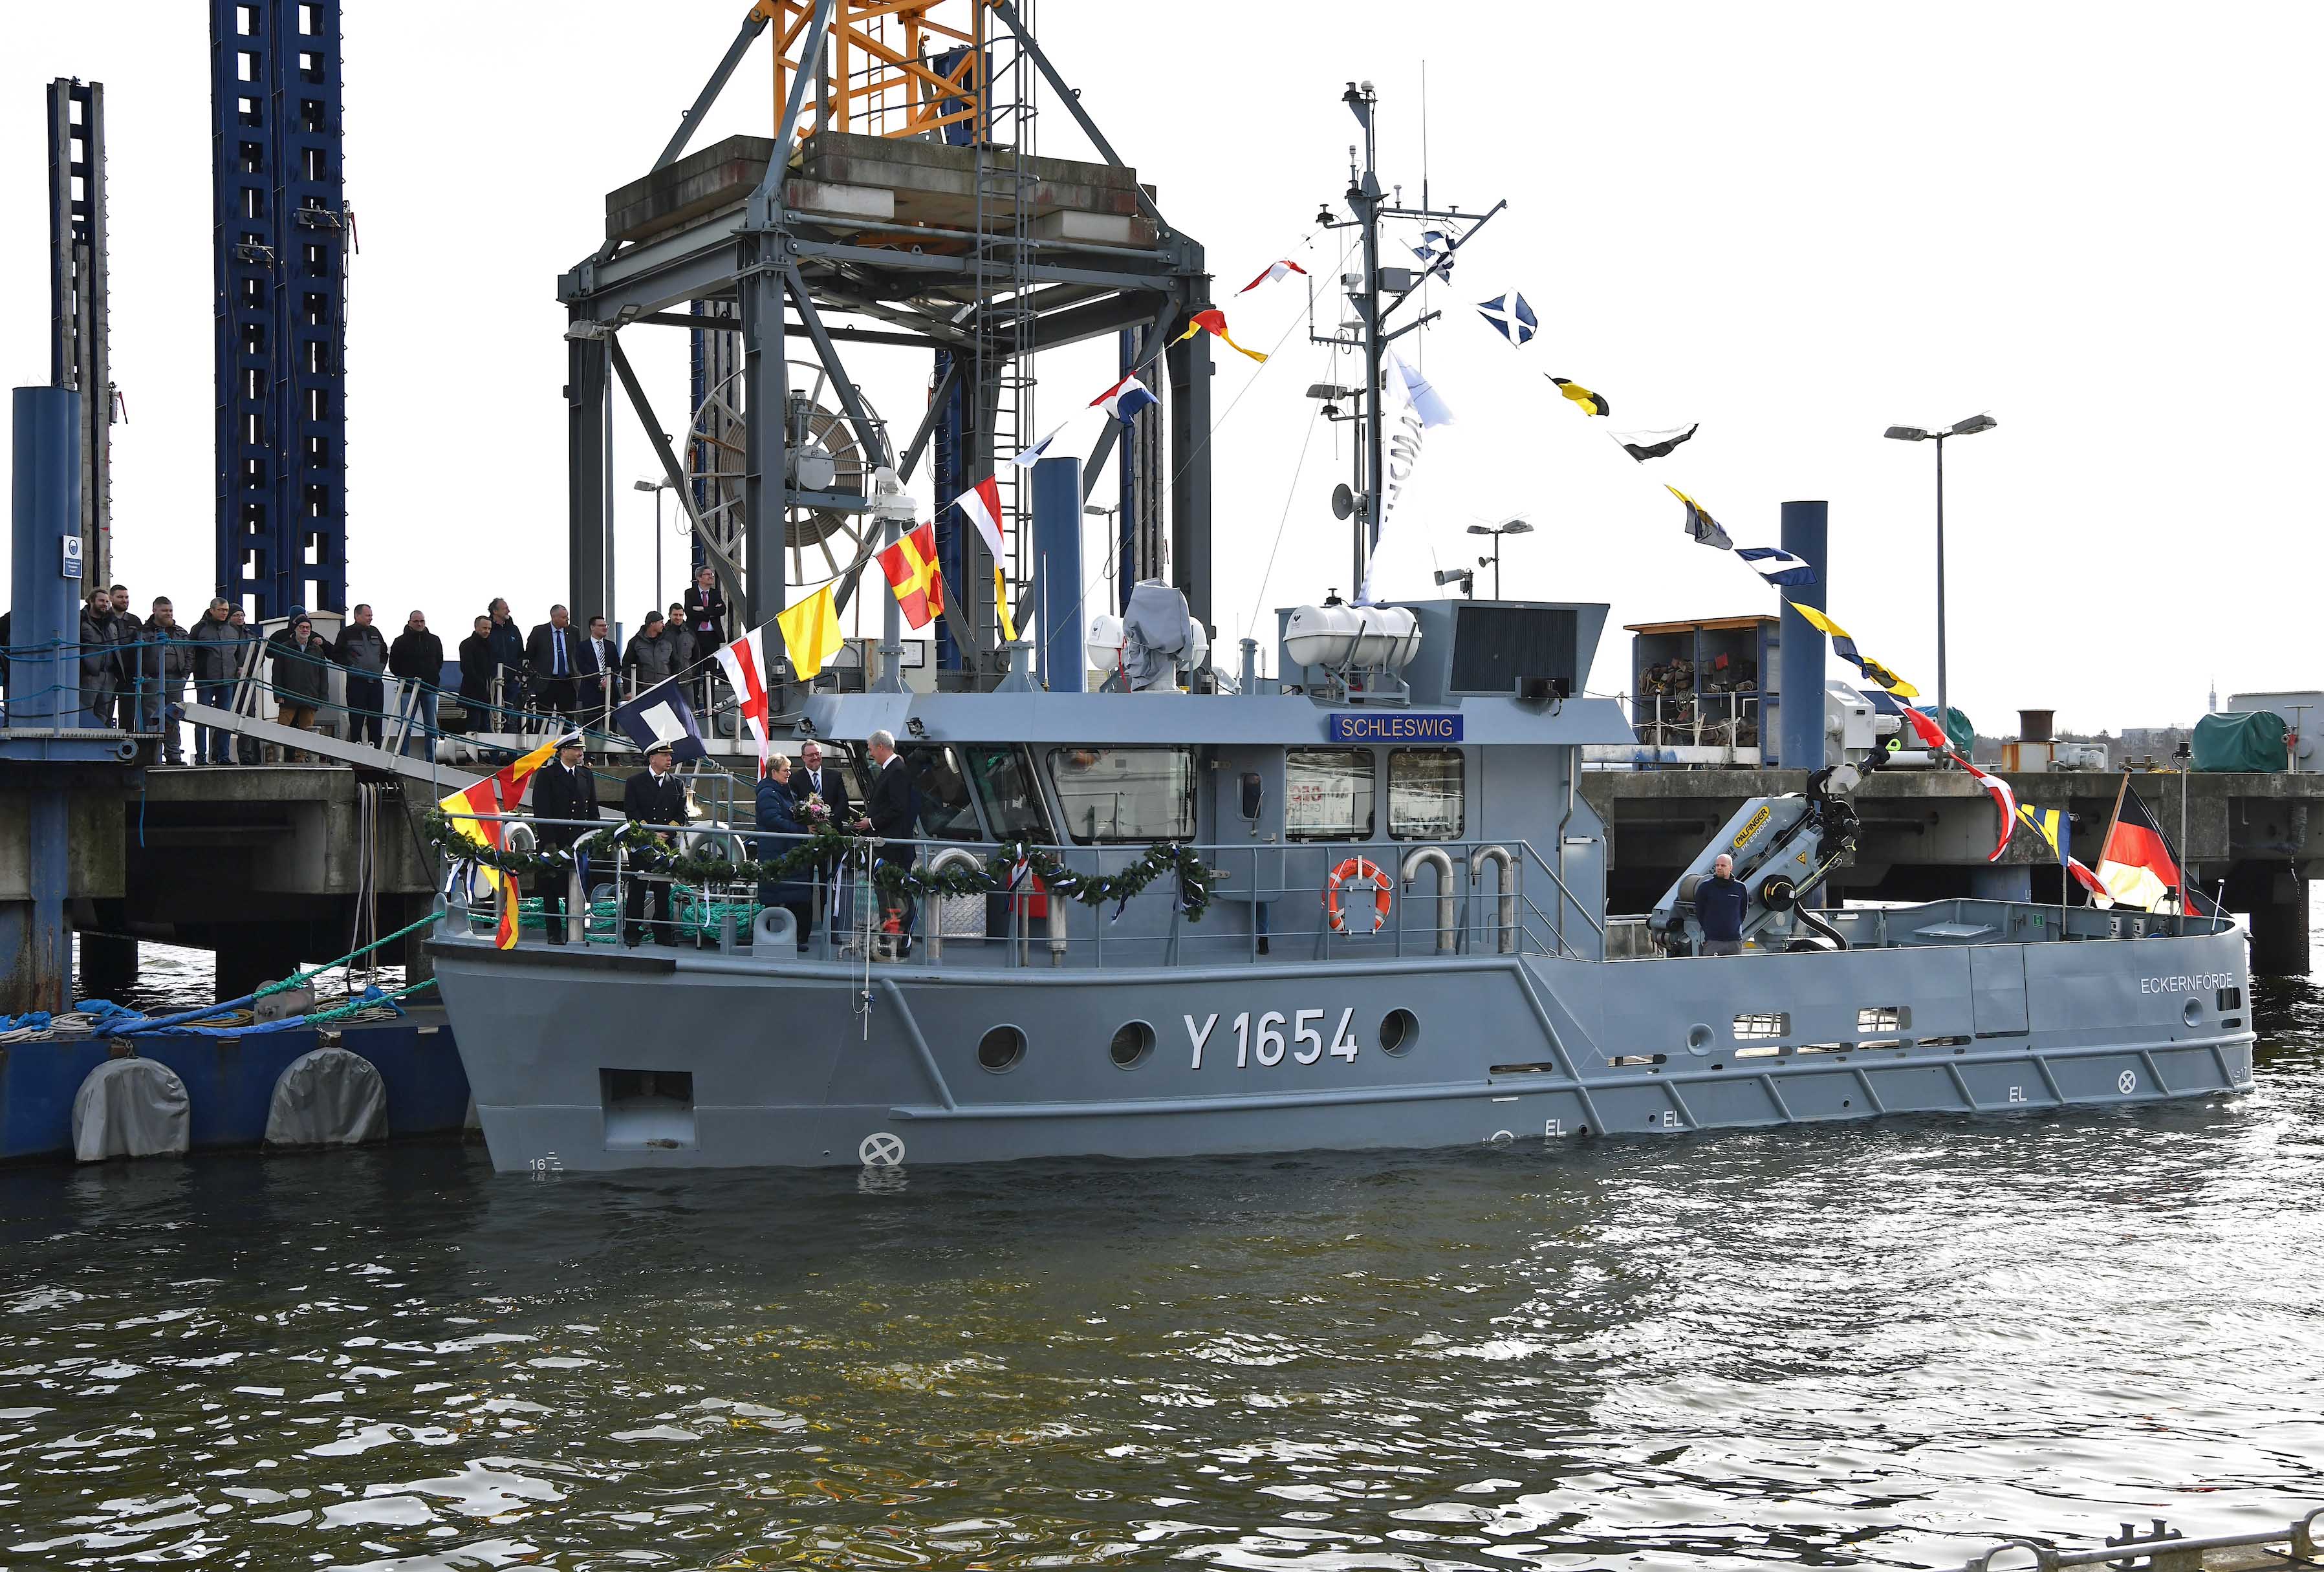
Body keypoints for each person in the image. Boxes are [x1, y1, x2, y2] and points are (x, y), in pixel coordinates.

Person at [530, 733, 600, 944]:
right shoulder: (548, 775)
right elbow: (542, 810)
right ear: (563, 751)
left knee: (575, 888)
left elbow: (592, 812)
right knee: (550, 889)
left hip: (577, 842)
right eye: (576, 749)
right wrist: (549, 843)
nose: (581, 753)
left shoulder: (586, 776)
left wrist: (592, 838)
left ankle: (574, 930)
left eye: (582, 749)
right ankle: (554, 932)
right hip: (554, 840)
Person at [856, 727, 920, 953]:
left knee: (896, 897)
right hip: (888, 848)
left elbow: (898, 807)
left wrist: (871, 823)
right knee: (887, 897)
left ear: (881, 747)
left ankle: (898, 943)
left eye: (871, 749)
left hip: (894, 850)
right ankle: (889, 941)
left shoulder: (897, 771)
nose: (870, 754)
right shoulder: (891, 770)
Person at [621, 739, 690, 946]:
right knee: (638, 888)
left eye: (670, 756)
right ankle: (632, 930)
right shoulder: (635, 782)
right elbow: (632, 811)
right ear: (652, 759)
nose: (670, 759)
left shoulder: (677, 784)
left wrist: (667, 832)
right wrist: (650, 834)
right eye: (665, 756)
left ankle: (662, 932)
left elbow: (682, 813)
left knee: (663, 889)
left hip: (667, 844)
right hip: (643, 844)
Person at [755, 753, 815, 952]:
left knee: (794, 894)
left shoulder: (783, 792)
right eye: (785, 770)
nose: (789, 773)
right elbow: (773, 820)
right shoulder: (768, 794)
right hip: (776, 851)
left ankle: (793, 937)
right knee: (779, 894)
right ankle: (780, 939)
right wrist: (803, 830)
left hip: (787, 849)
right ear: (774, 772)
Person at [266, 612, 331, 762]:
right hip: (289, 695)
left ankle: (301, 757)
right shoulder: (284, 648)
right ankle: (275, 757)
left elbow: (323, 674)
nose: (305, 630)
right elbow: (277, 673)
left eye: (308, 627)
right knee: (281, 728)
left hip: (310, 695)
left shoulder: (317, 650)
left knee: (307, 730)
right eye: (302, 627)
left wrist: (323, 696)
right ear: (295, 629)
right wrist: (278, 694)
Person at [139, 597, 193, 764]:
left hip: (176, 680)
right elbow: (136, 655)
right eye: (165, 611)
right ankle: (151, 756)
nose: (169, 614)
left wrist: (185, 675)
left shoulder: (181, 632)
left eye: (170, 610)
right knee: (151, 718)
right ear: (155, 610)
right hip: (153, 680)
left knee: (174, 717)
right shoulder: (144, 632)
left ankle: (173, 755)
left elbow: (190, 654)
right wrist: (145, 676)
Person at [189, 598, 241, 764]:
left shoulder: (233, 629)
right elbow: (191, 652)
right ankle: (201, 757)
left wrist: (239, 667)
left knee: (225, 720)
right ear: (212, 610)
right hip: (206, 680)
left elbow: (239, 652)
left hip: (227, 680)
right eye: (221, 610)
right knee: (201, 720)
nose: (224, 613)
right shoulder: (199, 629)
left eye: (226, 610)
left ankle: (223, 756)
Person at [387, 608, 444, 759]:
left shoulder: (435, 640)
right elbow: (393, 665)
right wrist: (405, 678)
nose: (419, 624)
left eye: (422, 621)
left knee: (431, 727)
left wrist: (431, 677)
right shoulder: (399, 642)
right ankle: (402, 756)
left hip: (430, 688)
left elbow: (439, 661)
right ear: (409, 622)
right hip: (408, 689)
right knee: (406, 724)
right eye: (416, 621)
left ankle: (432, 759)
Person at [334, 602, 390, 747]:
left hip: (376, 682)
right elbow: (337, 654)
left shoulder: (376, 632)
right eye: (367, 616)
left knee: (376, 718)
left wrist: (380, 668)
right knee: (357, 718)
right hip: (356, 682)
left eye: (371, 615)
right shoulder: (346, 633)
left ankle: (376, 749)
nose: (370, 618)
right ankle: (356, 747)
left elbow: (384, 653)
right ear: (357, 616)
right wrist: (351, 667)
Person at [525, 604, 581, 731]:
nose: (567, 619)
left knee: (568, 719)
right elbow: (529, 654)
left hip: (567, 681)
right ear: (554, 617)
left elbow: (577, 654)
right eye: (564, 617)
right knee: (543, 718)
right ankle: (540, 748)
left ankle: (568, 747)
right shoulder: (539, 632)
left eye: (567, 616)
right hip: (546, 681)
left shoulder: (573, 631)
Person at [79, 587, 122, 728]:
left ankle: (98, 739)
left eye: (107, 601)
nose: (105, 604)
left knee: (104, 712)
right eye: (101, 601)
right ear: (92, 601)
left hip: (109, 675)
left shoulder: (112, 624)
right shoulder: (80, 622)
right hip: (90, 674)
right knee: (85, 709)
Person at [224, 607, 262, 762]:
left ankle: (246, 755)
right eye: (236, 615)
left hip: (246, 681)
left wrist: (248, 670)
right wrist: (235, 670)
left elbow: (259, 657)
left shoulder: (251, 635)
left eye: (242, 615)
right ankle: (221, 754)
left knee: (248, 716)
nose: (240, 618)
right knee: (225, 717)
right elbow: (223, 656)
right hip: (228, 680)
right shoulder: (225, 634)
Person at [1695, 852, 1750, 956]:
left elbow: (1743, 912)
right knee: (1711, 972)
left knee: (1734, 972)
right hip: (1713, 942)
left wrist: (1734, 927)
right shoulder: (1705, 887)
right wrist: (1710, 930)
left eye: (1723, 865)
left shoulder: (1741, 888)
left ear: (1731, 867)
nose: (1719, 868)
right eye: (1717, 865)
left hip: (1734, 942)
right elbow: (1700, 912)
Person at [576, 613, 620, 733]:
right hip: (591, 692)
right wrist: (600, 680)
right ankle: (588, 751)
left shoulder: (611, 646)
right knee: (590, 727)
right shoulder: (582, 646)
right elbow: (582, 666)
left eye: (606, 625)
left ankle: (612, 751)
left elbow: (617, 666)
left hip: (611, 693)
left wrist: (609, 680)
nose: (605, 628)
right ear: (592, 627)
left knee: (612, 727)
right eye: (601, 625)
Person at [105, 581, 141, 728]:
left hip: (130, 674)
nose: (125, 600)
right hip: (110, 672)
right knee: (105, 711)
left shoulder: (135, 621)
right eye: (120, 597)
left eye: (126, 597)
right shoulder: (105, 619)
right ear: (111, 599)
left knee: (128, 714)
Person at [486, 598, 526, 724]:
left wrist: (518, 674)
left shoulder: (514, 630)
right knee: (492, 714)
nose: (509, 610)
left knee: (511, 715)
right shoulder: (488, 629)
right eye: (505, 608)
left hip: (512, 680)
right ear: (495, 611)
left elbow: (521, 653)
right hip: (492, 680)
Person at [621, 610, 679, 693]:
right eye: (661, 622)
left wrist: (674, 686)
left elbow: (675, 664)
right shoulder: (635, 642)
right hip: (642, 690)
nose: (664, 625)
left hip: (665, 689)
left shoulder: (669, 641)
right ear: (652, 624)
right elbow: (626, 667)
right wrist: (628, 690)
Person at [457, 614, 497, 729]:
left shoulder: (490, 645)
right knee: (474, 724)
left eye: (489, 629)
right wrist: (481, 683)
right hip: (473, 692)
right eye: (485, 628)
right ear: (476, 627)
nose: (487, 631)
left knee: (486, 725)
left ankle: (484, 748)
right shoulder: (467, 644)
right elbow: (466, 668)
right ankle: (472, 748)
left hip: (487, 692)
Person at [682, 565, 728, 657]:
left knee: (712, 666)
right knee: (696, 665)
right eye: (707, 574)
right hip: (695, 635)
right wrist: (711, 613)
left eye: (711, 574)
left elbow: (722, 610)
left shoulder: (716, 593)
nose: (711, 576)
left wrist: (703, 609)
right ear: (699, 578)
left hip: (713, 636)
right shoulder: (690, 593)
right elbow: (690, 613)